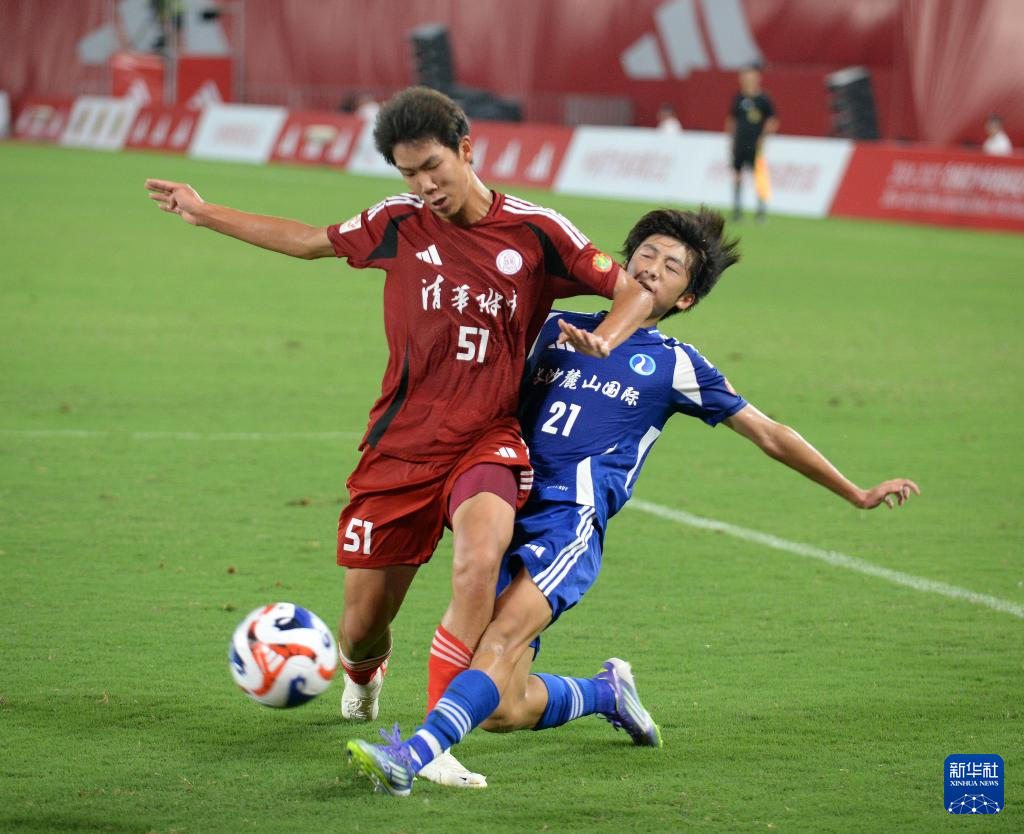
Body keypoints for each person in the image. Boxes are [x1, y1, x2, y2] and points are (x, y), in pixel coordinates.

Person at [145, 86, 655, 784]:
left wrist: (609, 336)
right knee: (359, 628)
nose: (424, 186)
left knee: (479, 561)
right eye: (409, 173)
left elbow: (632, 287)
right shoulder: (396, 222)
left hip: (487, 439)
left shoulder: (536, 232)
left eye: (432, 167)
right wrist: (204, 213)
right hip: (400, 449)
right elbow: (309, 241)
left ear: (466, 149)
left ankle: (433, 743)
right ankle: (365, 673)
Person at [345, 206, 920, 796]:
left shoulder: (676, 364)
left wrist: (856, 492)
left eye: (672, 267)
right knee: (502, 709)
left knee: (498, 642)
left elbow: (770, 433)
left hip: (567, 523)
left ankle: (412, 755)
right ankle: (606, 693)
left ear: (686, 298)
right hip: (503, 507)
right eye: (647, 253)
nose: (652, 268)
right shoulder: (554, 327)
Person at [725, 66, 778, 222]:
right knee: (737, 174)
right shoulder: (739, 98)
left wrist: (764, 136)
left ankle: (760, 211)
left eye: (750, 77)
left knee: (759, 176)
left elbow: (773, 119)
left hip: (755, 143)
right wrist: (731, 139)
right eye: (745, 77)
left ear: (757, 79)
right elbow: (732, 120)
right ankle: (737, 210)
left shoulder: (763, 99)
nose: (747, 80)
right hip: (740, 142)